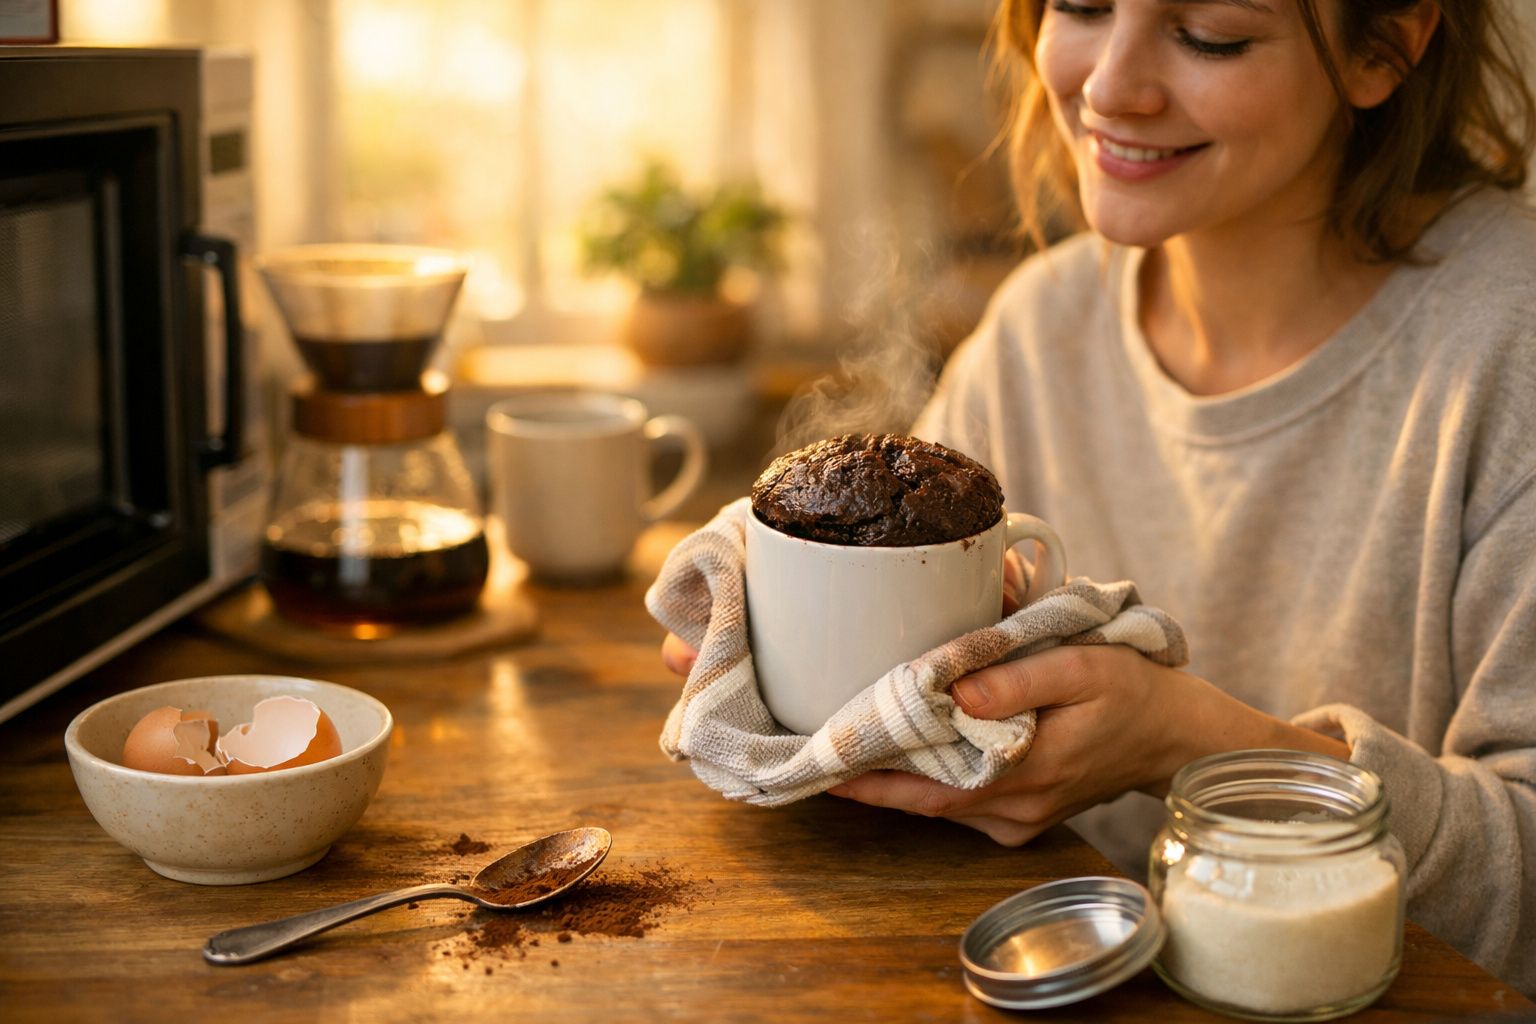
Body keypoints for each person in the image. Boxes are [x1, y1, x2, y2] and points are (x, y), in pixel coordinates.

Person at [662, 0, 1536, 992]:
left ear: (1386, 45)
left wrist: (1187, 742)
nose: (1109, 86)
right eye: (1080, 4)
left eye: (1210, 34)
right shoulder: (1042, 330)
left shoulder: (1511, 347)